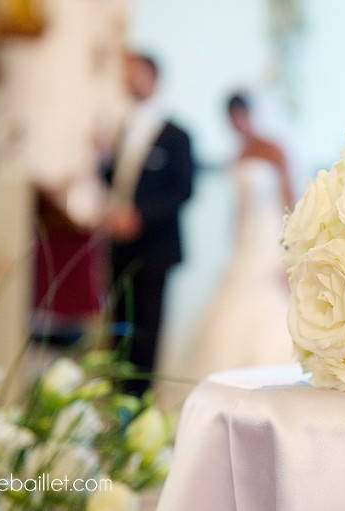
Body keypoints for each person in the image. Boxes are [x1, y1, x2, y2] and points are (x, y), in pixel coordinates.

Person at [101, 52, 196, 396]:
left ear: (153, 77)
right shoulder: (123, 129)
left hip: (155, 247)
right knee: (118, 324)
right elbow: (120, 183)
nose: (128, 80)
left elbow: (183, 190)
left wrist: (139, 215)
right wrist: (102, 161)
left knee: (148, 327)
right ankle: (117, 396)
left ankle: (139, 401)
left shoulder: (177, 135)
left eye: (134, 73)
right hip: (120, 245)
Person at [186, 92, 295, 381]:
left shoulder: (273, 150)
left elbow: (289, 201)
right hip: (246, 238)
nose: (237, 124)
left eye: (240, 117)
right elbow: (239, 207)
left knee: (267, 299)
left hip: (271, 235)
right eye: (231, 119)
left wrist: (290, 251)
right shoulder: (238, 155)